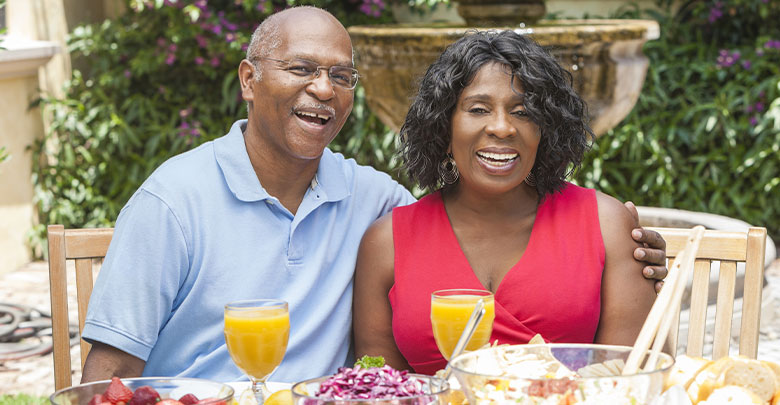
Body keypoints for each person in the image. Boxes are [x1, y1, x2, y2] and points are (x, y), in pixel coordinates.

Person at [81, 8, 666, 384]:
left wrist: (634, 244)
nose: (322, 88)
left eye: (340, 76)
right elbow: (105, 378)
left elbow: (630, 379)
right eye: (301, 68)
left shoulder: (370, 200)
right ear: (248, 80)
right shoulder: (173, 201)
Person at [353, 30, 657, 374]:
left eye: (523, 112)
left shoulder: (606, 224)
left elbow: (633, 376)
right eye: (478, 109)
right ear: (443, 127)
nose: (502, 127)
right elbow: (378, 387)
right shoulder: (386, 243)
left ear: (546, 129)